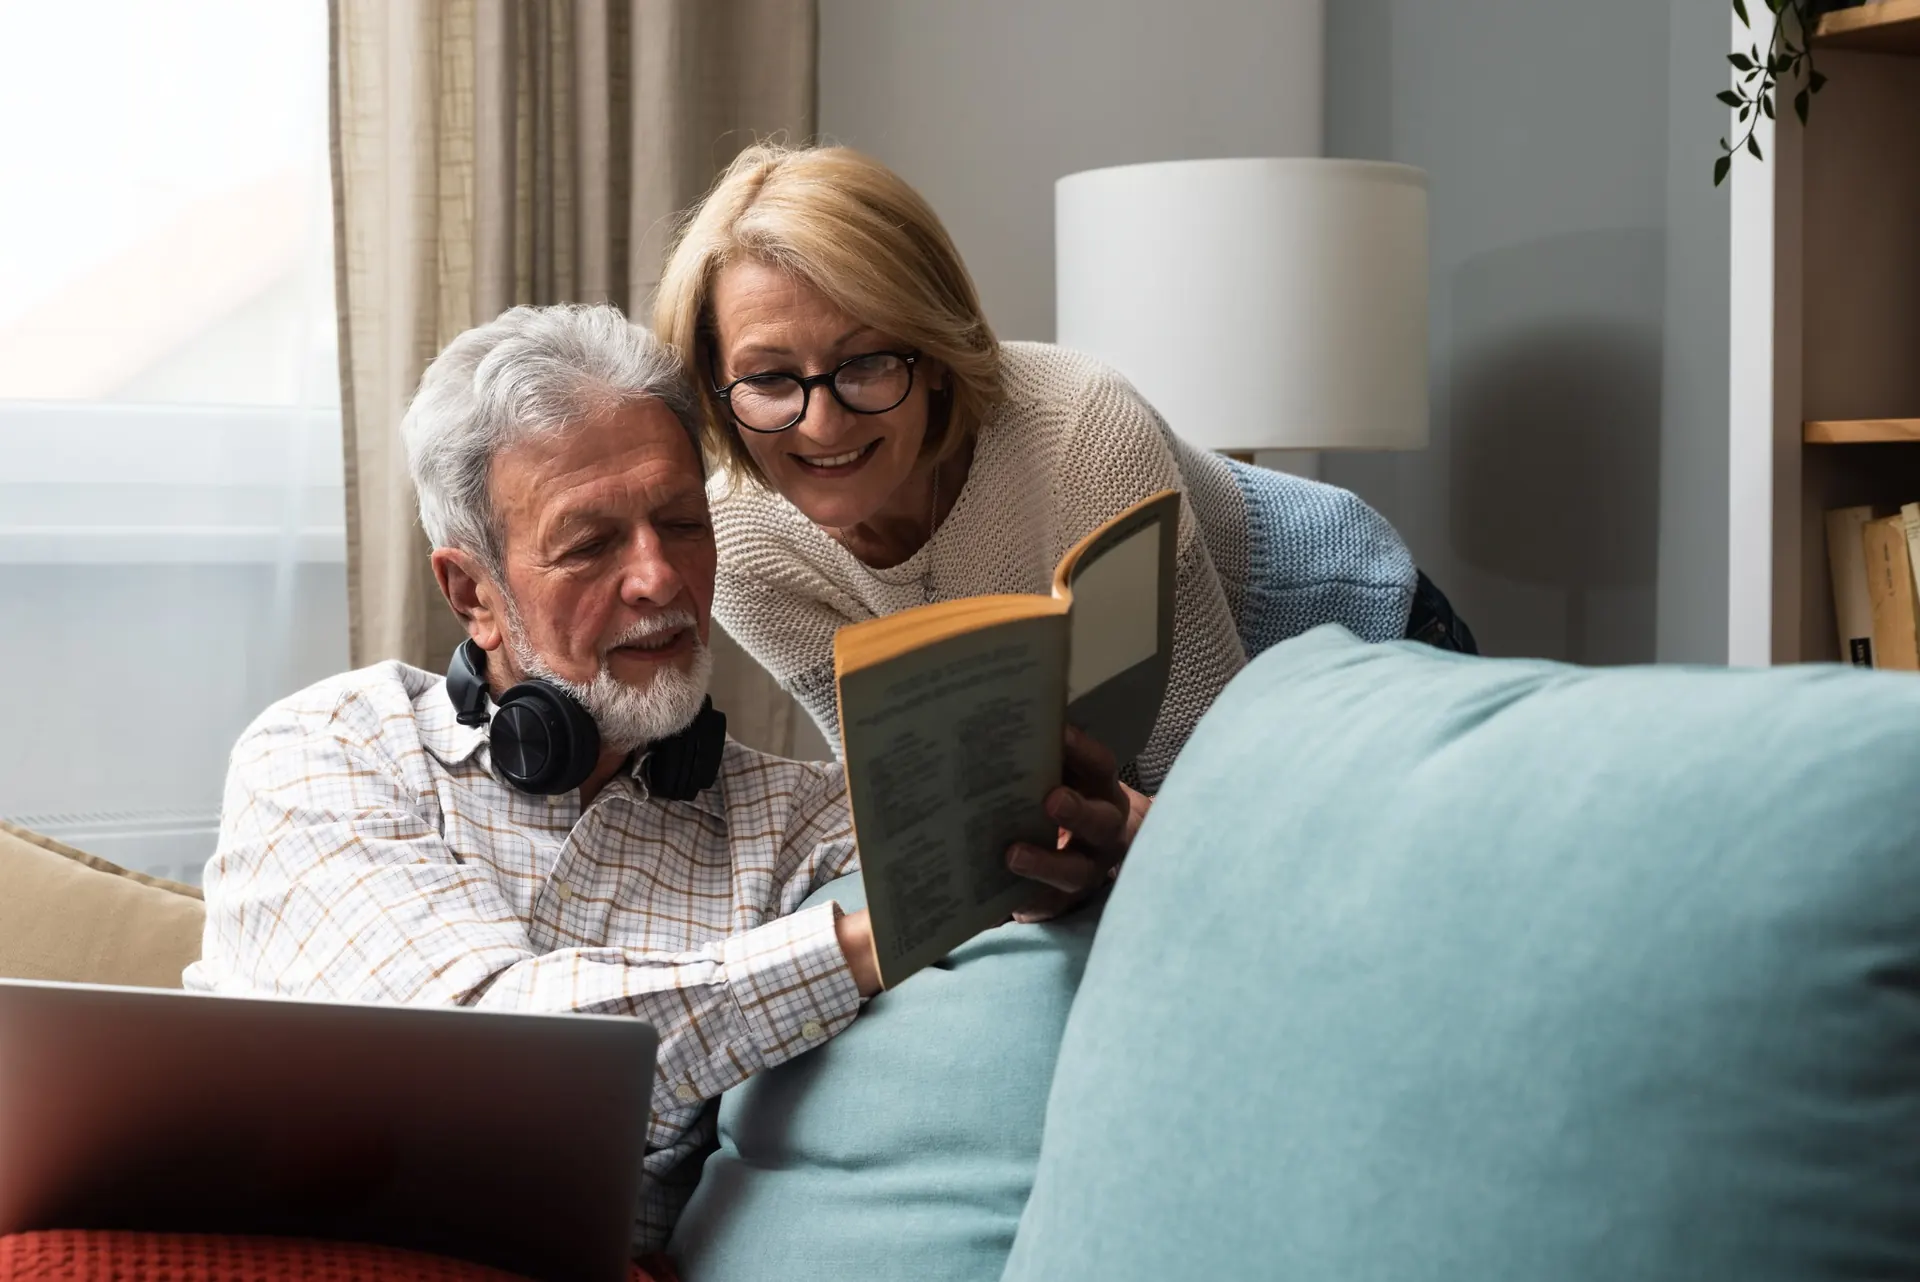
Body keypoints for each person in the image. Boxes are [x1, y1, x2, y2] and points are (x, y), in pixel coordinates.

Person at [184, 305, 1136, 1252]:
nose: (661, 579)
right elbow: (477, 1064)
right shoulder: (334, 746)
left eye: (682, 523)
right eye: (592, 544)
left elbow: (1051, 851)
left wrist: (1088, 837)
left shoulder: (801, 822)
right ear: (474, 591)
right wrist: (868, 939)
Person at [654, 144, 1475, 793]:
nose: (823, 423)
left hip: (1337, 641)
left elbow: (1204, 775)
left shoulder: (1081, 433)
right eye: (767, 379)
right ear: (715, 387)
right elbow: (911, 784)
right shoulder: (743, 544)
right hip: (1161, 748)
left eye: (867, 362)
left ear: (937, 353)